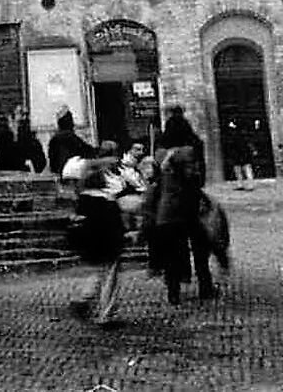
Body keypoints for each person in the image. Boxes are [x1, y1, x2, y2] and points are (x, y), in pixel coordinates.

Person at [136, 145, 218, 304]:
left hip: (169, 219)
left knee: (173, 256)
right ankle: (204, 287)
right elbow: (196, 192)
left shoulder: (165, 175)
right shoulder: (188, 176)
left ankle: (174, 292)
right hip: (186, 217)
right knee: (199, 253)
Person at [66, 152, 130, 327]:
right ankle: (105, 314)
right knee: (109, 278)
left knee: (95, 273)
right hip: (109, 244)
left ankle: (82, 298)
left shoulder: (83, 200)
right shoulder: (107, 201)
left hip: (90, 244)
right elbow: (116, 225)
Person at [158, 103, 207, 182]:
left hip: (179, 146)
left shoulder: (181, 122)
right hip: (176, 146)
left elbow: (189, 134)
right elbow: (187, 135)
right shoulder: (174, 122)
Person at [46, 111, 93, 180]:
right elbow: (87, 151)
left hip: (59, 174)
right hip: (71, 174)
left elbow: (51, 160)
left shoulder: (54, 139)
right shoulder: (71, 137)